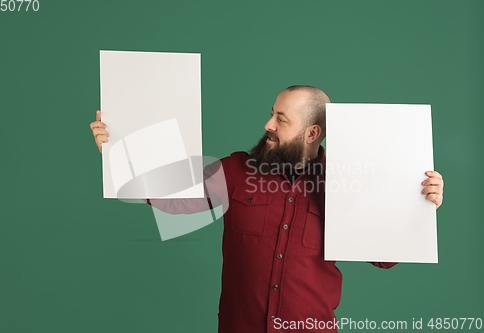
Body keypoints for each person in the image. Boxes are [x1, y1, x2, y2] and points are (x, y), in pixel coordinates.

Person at [90, 86, 444, 333]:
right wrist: (117, 150)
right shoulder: (236, 170)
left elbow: (385, 257)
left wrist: (420, 200)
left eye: (281, 119)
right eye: (271, 114)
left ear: (311, 133)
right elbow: (174, 196)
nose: (268, 125)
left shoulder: (346, 181)